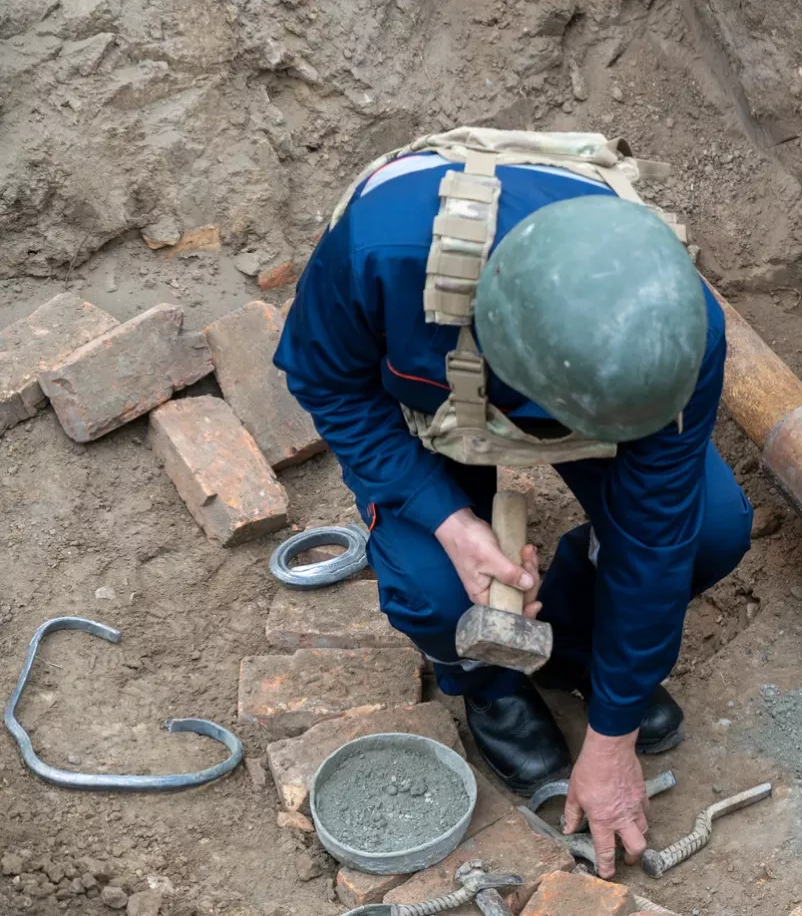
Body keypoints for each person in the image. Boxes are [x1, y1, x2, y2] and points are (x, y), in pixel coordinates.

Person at [274, 129, 752, 878]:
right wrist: (448, 519)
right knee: (435, 591)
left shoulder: (678, 332)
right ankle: (491, 685)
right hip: (433, 402)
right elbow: (327, 385)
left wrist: (613, 735)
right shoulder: (383, 250)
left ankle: (576, 647)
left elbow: (657, 533)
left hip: (584, 397)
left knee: (710, 530)